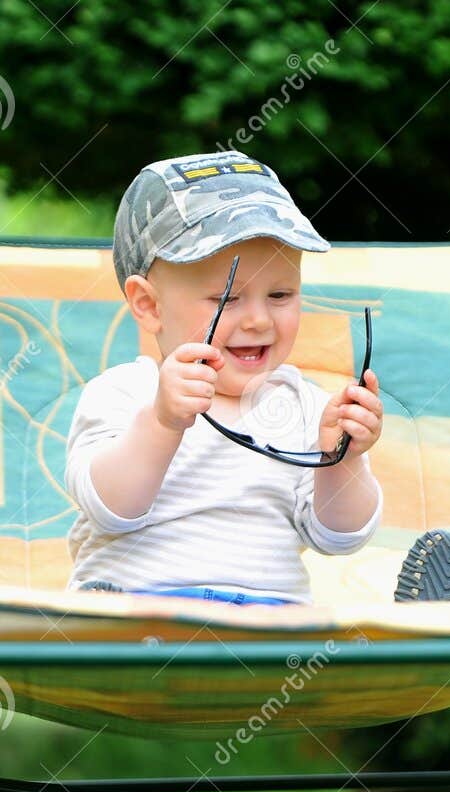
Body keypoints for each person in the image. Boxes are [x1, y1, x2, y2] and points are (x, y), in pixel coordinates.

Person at [63, 151, 386, 607]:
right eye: (227, 298)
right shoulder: (124, 394)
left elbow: (339, 538)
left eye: (280, 294)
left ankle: (432, 628)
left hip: (267, 626)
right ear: (149, 305)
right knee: (108, 618)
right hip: (139, 615)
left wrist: (343, 458)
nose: (258, 320)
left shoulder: (307, 409)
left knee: (320, 639)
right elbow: (112, 510)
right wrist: (162, 423)